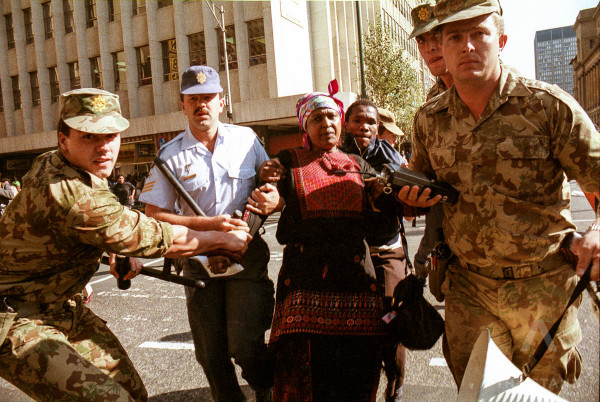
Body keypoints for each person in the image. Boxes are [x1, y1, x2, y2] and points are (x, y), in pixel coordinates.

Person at [0, 88, 251, 402]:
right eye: (89, 137)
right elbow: (148, 236)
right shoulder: (70, 192)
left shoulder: (69, 164)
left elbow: (108, 222)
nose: (104, 148)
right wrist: (222, 238)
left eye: (111, 136)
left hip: (62, 304)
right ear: (63, 140)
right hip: (16, 318)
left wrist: (114, 250)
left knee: (133, 392)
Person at [401, 0, 600, 394]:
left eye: (480, 34)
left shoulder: (548, 107)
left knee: (538, 396)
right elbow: (420, 182)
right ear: (441, 45)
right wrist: (412, 197)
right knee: (476, 394)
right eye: (455, 36)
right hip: (469, 290)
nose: (467, 46)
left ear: (502, 40)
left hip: (543, 291)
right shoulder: (429, 120)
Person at [260, 87, 420, 401]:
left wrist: (411, 198)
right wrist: (266, 203)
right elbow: (271, 196)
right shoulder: (288, 160)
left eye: (332, 116)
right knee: (301, 364)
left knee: (359, 365)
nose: (326, 123)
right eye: (316, 118)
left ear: (340, 121)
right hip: (305, 281)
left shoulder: (358, 162)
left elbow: (388, 200)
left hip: (356, 278)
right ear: (305, 126)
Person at [140, 65, 278, 402]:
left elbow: (269, 185)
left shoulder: (246, 140)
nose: (202, 105)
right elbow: (153, 214)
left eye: (208, 98)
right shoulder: (170, 155)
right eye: (194, 100)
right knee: (211, 356)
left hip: (245, 257)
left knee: (246, 346)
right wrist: (211, 226)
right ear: (183, 105)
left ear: (222, 101)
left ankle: (268, 391)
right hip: (198, 262)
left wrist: (275, 198)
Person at [340, 99, 409, 402]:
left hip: (387, 249)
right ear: (347, 124)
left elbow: (407, 202)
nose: (364, 127)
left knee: (392, 320)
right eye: (357, 121)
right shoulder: (337, 153)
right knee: (358, 329)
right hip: (351, 251)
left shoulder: (389, 155)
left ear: (378, 128)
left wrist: (385, 190)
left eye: (370, 122)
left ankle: (395, 385)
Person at [409, 0, 455, 281]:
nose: (430, 47)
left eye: (437, 36)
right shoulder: (431, 103)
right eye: (422, 40)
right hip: (456, 253)